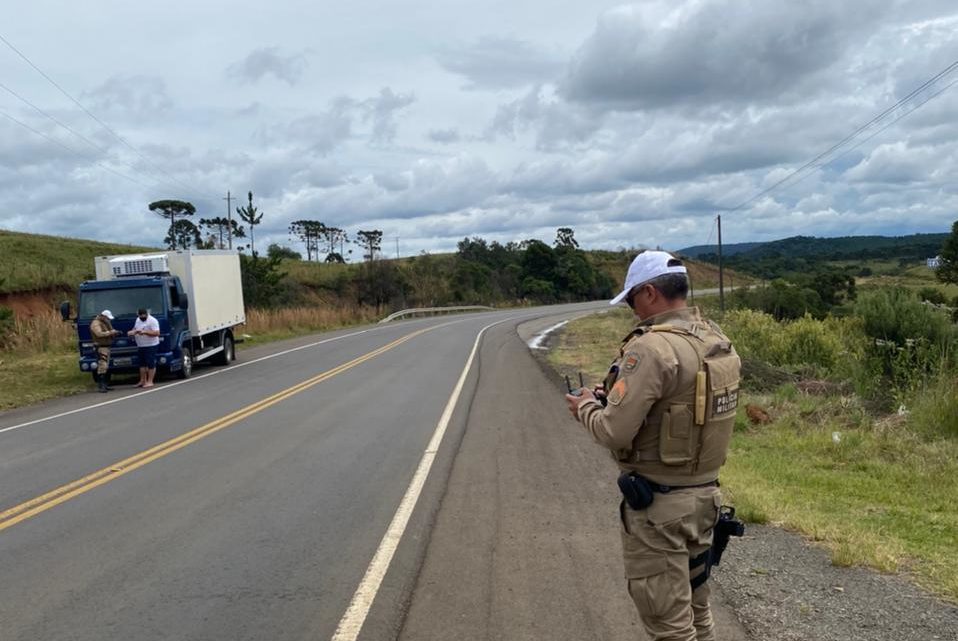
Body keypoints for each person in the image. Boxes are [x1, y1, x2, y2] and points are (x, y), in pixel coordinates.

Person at [565, 250, 741, 641]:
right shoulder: (715, 341)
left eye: (631, 299)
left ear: (648, 293)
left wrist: (587, 407)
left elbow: (613, 432)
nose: (631, 310)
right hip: (704, 499)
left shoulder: (651, 348)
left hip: (659, 508)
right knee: (698, 613)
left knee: (671, 628)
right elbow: (680, 408)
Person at [129, 307, 160, 388]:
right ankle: (143, 380)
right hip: (141, 345)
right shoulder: (137, 320)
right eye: (141, 316)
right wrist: (133, 332)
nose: (142, 318)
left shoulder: (152, 320)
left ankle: (150, 381)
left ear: (147, 314)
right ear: (138, 315)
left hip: (151, 345)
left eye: (144, 316)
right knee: (142, 364)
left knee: (150, 362)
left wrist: (145, 332)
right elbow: (135, 328)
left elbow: (157, 333)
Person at [89, 309, 119, 393]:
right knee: (102, 365)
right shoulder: (96, 323)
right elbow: (99, 334)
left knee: (105, 366)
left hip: (106, 346)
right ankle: (101, 385)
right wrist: (110, 332)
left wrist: (115, 333)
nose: (108, 320)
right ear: (103, 316)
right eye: (107, 318)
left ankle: (105, 384)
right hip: (101, 347)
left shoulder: (104, 322)